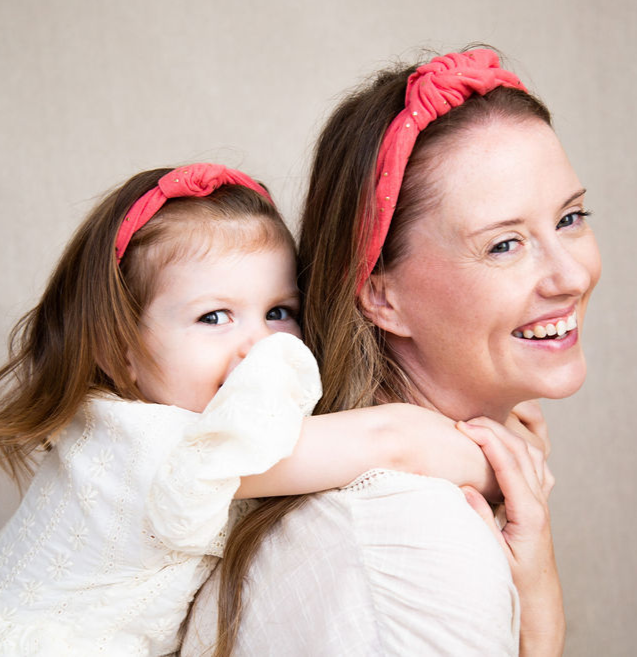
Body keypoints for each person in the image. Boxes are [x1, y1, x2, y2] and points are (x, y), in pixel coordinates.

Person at [0, 162, 509, 656]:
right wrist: (506, 457)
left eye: (278, 312)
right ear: (120, 353)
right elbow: (393, 440)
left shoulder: (157, 425)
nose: (260, 346)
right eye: (215, 317)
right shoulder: (160, 453)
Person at [180, 49, 601, 656]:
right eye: (504, 245)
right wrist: (545, 621)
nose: (570, 276)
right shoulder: (415, 545)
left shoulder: (412, 493)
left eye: (571, 218)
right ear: (381, 296)